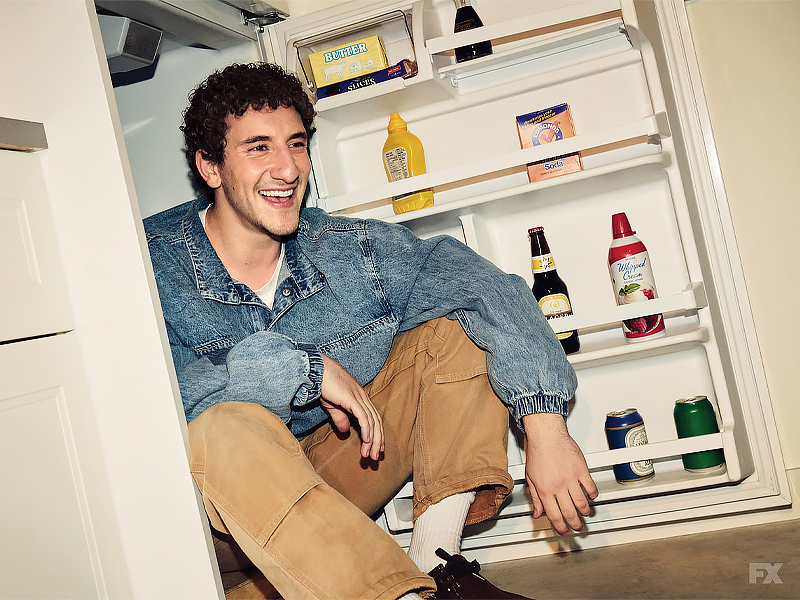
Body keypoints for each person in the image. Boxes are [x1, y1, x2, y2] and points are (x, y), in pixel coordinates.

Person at [144, 62, 598, 600]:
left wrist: (545, 427)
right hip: (218, 524)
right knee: (223, 426)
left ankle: (438, 574)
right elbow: (153, 406)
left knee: (455, 329)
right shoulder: (149, 265)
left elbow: (487, 289)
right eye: (258, 148)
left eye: (296, 144)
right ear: (210, 167)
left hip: (330, 481)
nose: (287, 169)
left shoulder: (351, 250)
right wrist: (304, 368)